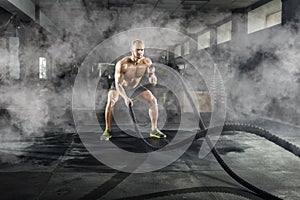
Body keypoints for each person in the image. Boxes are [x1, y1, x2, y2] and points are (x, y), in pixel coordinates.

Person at [100, 39, 166, 141]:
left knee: (153, 101)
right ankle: (107, 130)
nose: (139, 52)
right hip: (121, 87)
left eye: (142, 50)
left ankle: (154, 129)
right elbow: (118, 84)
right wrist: (126, 98)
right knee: (111, 100)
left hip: (135, 88)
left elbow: (153, 82)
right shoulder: (122, 64)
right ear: (131, 50)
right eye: (137, 50)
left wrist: (152, 75)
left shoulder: (147, 62)